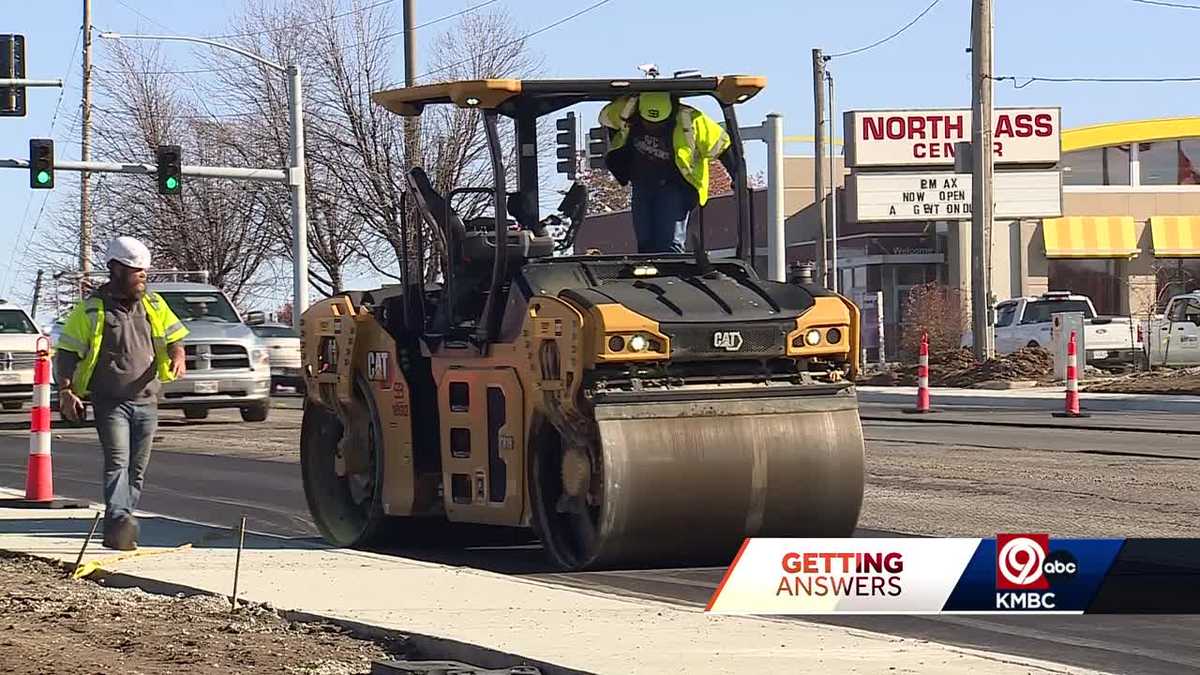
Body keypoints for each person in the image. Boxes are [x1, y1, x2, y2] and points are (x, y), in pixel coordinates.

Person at [54, 236, 188, 551]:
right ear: (115, 270)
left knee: (137, 470)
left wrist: (178, 354)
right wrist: (66, 391)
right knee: (118, 461)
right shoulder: (90, 311)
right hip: (110, 401)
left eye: (144, 272)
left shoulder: (154, 304)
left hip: (147, 400)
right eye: (136, 271)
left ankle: (122, 520)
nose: (142, 277)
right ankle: (117, 520)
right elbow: (68, 352)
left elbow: (175, 336)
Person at [598, 91, 736, 253]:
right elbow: (606, 118)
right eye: (648, 123)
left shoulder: (692, 120)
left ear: (671, 114)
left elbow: (723, 147)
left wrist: (736, 177)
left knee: (669, 241)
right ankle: (647, 270)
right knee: (645, 240)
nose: (654, 128)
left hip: (676, 185)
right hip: (642, 183)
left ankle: (672, 272)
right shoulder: (626, 110)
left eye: (659, 124)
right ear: (639, 113)